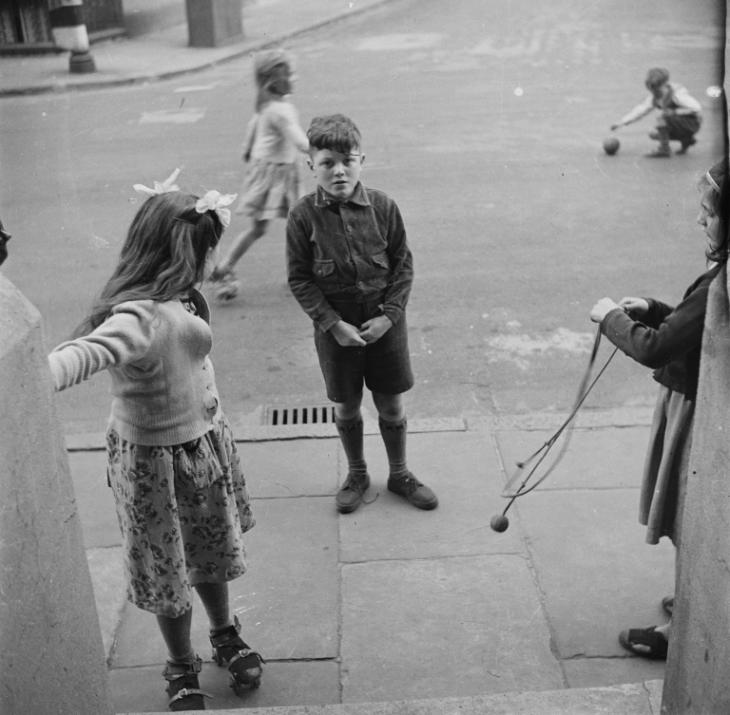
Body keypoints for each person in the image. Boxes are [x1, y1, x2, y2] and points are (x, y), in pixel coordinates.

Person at [47, 174, 263, 711]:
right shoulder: (139, 316)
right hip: (153, 462)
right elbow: (86, 353)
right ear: (178, 253)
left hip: (202, 440)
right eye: (206, 252)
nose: (212, 262)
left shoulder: (180, 296)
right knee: (168, 565)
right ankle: (180, 663)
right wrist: (30, 376)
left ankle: (223, 633)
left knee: (210, 551)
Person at [589, 158, 728, 660]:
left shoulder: (721, 280)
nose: (700, 221)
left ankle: (686, 630)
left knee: (694, 521)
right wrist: (655, 308)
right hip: (699, 406)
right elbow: (698, 328)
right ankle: (697, 598)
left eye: (709, 213)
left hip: (698, 416)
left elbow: (655, 349)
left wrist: (611, 320)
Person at [286, 113, 438, 514]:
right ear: (311, 166)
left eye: (347, 160)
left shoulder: (384, 207)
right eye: (327, 163)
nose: (339, 171)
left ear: (362, 160)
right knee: (347, 406)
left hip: (385, 327)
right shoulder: (303, 217)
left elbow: (403, 266)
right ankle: (356, 473)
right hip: (337, 332)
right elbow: (300, 280)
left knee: (391, 404)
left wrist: (389, 316)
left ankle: (400, 473)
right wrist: (333, 325)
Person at [208, 48, 309, 301]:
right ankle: (297, 275)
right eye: (290, 74)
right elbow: (300, 142)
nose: (294, 79)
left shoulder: (269, 106)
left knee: (264, 228)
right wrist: (322, 146)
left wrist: (248, 154)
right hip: (277, 174)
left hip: (271, 170)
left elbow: (252, 133)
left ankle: (225, 267)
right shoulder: (280, 111)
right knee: (298, 224)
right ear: (274, 80)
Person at [610, 67, 702, 158]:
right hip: (679, 123)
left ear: (665, 84)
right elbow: (641, 110)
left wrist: (675, 112)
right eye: (652, 90)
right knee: (653, 134)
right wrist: (621, 122)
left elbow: (696, 108)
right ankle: (686, 139)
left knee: (661, 119)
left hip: (692, 123)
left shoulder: (677, 94)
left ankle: (664, 149)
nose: (654, 93)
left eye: (657, 89)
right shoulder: (655, 97)